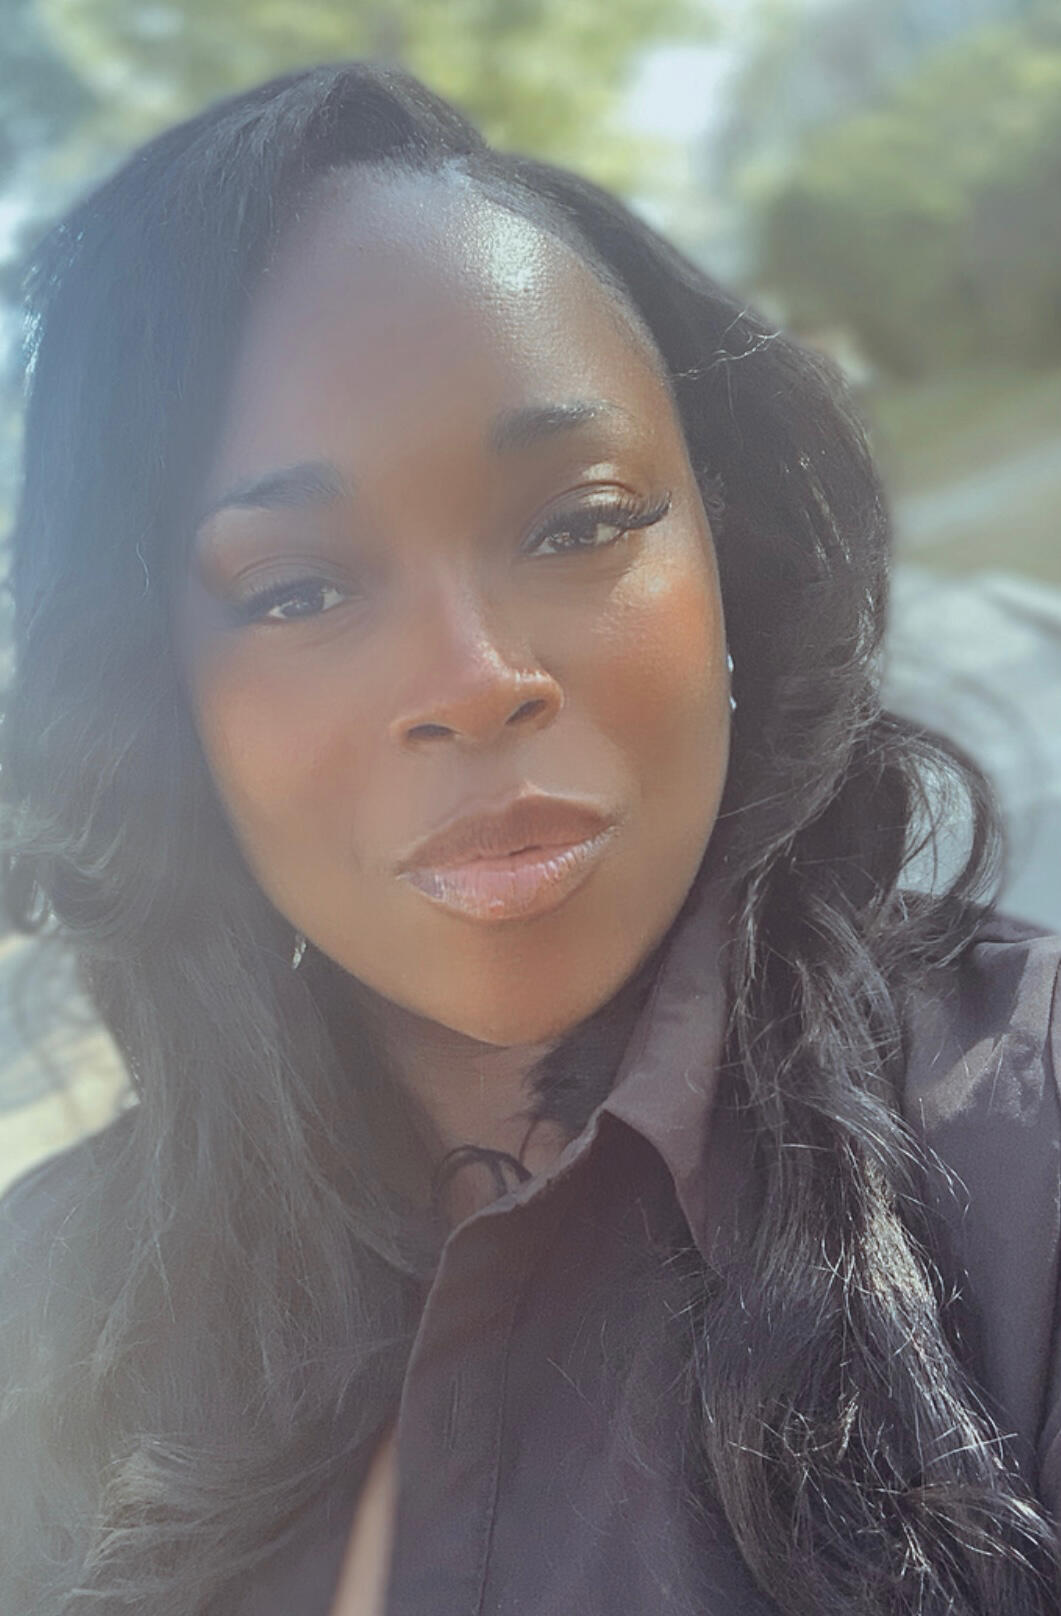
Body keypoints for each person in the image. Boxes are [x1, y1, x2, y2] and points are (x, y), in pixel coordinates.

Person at [0, 60, 1058, 1616]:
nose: (473, 679)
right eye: (295, 591)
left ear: (729, 558)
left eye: (578, 523)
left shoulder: (1025, 1127)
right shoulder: (38, 1319)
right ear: (158, 704)